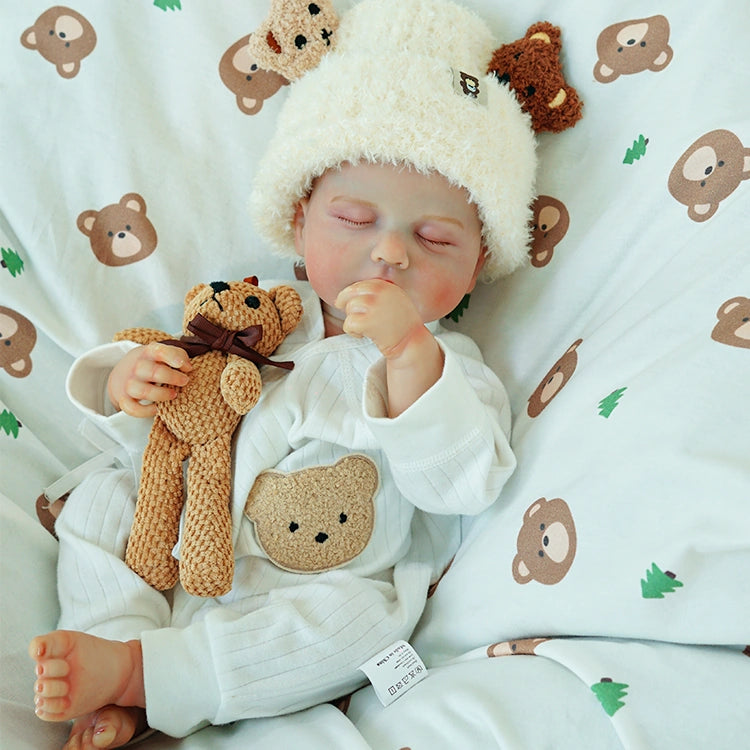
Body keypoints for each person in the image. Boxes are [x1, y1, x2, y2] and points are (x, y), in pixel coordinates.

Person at [28, 0, 537, 747]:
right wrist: (125, 381)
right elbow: (166, 412)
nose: (391, 253)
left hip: (306, 587)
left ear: (477, 266)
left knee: (367, 623)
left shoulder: (451, 369)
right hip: (171, 537)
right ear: (299, 220)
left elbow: (459, 485)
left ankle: (149, 677)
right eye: (355, 220)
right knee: (100, 503)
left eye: (434, 237)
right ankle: (115, 645)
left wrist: (407, 357)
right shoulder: (250, 310)